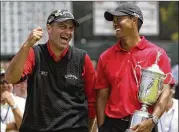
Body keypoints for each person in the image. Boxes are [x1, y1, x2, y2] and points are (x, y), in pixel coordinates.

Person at [5, 9, 96, 132]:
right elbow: (10, 78)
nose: (68, 32)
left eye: (71, 28)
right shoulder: (34, 53)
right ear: (49, 28)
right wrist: (26, 45)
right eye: (62, 26)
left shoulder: (82, 58)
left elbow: (93, 100)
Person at [95, 2, 175, 132]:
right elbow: (102, 97)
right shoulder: (105, 57)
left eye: (119, 19)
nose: (114, 23)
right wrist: (102, 127)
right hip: (113, 125)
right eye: (113, 20)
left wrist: (153, 120)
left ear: (134, 20)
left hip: (145, 124)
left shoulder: (157, 54)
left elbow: (165, 91)